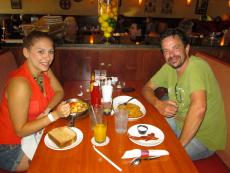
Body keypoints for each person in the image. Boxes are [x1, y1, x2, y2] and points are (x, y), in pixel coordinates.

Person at [142, 28, 226, 160]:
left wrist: (177, 147)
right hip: (179, 123)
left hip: (202, 138)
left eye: (176, 48)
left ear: (186, 48)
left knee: (162, 159)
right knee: (145, 133)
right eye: (166, 51)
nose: (171, 55)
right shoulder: (170, 66)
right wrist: (158, 104)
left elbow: (199, 109)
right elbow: (146, 88)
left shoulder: (196, 67)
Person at [0, 31, 70, 172]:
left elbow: (59, 91)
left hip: (35, 134)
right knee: (60, 162)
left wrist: (46, 111)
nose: (47, 57)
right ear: (26, 52)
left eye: (51, 51)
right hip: (11, 149)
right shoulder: (20, 85)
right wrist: (53, 115)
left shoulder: (43, 69)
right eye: (41, 51)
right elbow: (20, 131)